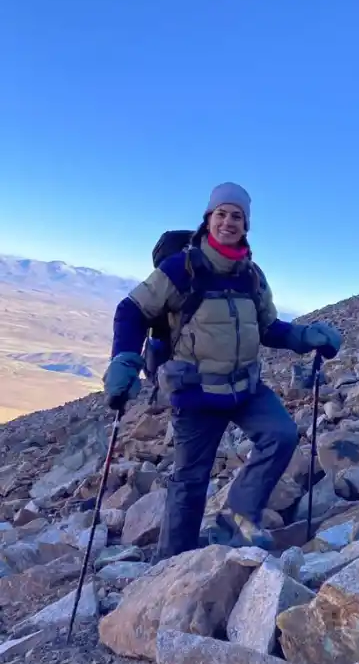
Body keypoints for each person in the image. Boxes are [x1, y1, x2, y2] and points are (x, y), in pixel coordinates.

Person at [104, 182, 341, 556]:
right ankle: (170, 566)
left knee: (281, 434)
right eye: (221, 214)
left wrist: (304, 336)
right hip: (196, 391)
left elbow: (267, 328)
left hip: (244, 386)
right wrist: (124, 360)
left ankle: (237, 521)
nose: (228, 222)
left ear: (246, 226)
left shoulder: (251, 275)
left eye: (237, 216)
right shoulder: (180, 269)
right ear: (208, 219)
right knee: (190, 481)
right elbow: (132, 311)